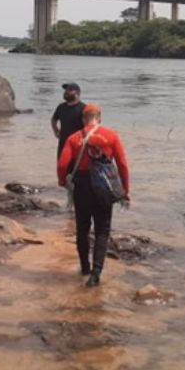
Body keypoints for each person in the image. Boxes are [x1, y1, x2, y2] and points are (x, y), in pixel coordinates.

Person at [57, 103, 130, 288]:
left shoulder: (74, 138)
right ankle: (96, 274)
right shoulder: (111, 136)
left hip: (82, 185)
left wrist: (62, 181)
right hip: (104, 186)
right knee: (102, 230)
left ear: (83, 119)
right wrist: (125, 191)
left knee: (82, 228)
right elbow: (122, 165)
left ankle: (84, 268)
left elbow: (62, 165)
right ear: (100, 118)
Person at [51, 82, 86, 158]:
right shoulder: (61, 107)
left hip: (78, 144)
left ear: (77, 93)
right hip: (63, 143)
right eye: (65, 90)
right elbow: (54, 119)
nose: (66, 92)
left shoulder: (83, 108)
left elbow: (88, 126)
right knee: (62, 167)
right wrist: (56, 130)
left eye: (69, 90)